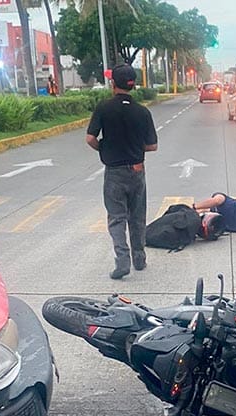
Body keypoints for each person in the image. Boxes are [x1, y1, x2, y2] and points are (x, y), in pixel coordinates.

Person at [86, 64, 158, 279]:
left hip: (114, 172)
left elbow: (90, 138)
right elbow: (152, 146)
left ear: (112, 83)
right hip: (137, 171)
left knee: (116, 218)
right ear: (133, 84)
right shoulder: (142, 111)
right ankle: (139, 258)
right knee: (137, 217)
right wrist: (135, 147)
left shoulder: (103, 108)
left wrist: (105, 148)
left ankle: (122, 260)